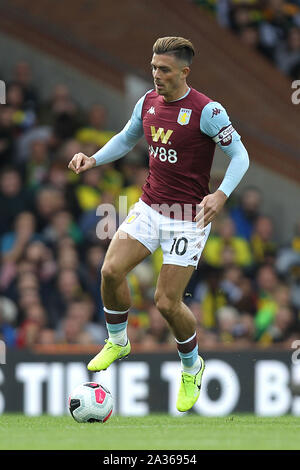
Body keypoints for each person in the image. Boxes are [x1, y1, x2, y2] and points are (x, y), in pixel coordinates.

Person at [68, 36, 249, 413]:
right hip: (151, 207)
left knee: (166, 302)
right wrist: (94, 159)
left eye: (164, 70)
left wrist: (220, 195)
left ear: (184, 72)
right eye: (153, 67)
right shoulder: (147, 102)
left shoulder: (207, 110)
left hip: (188, 218)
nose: (156, 75)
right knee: (111, 270)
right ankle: (118, 340)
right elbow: (127, 138)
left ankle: (191, 366)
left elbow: (241, 155)